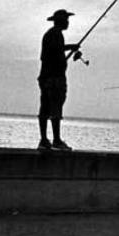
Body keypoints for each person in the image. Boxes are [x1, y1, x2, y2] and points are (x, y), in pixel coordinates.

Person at [37, 9, 82, 151]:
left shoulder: (51, 34)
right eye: (66, 20)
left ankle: (44, 140)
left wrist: (67, 49)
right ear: (60, 21)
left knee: (45, 108)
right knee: (55, 108)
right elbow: (56, 50)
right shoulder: (55, 34)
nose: (68, 22)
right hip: (54, 78)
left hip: (46, 77)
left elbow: (53, 53)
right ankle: (56, 140)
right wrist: (71, 47)